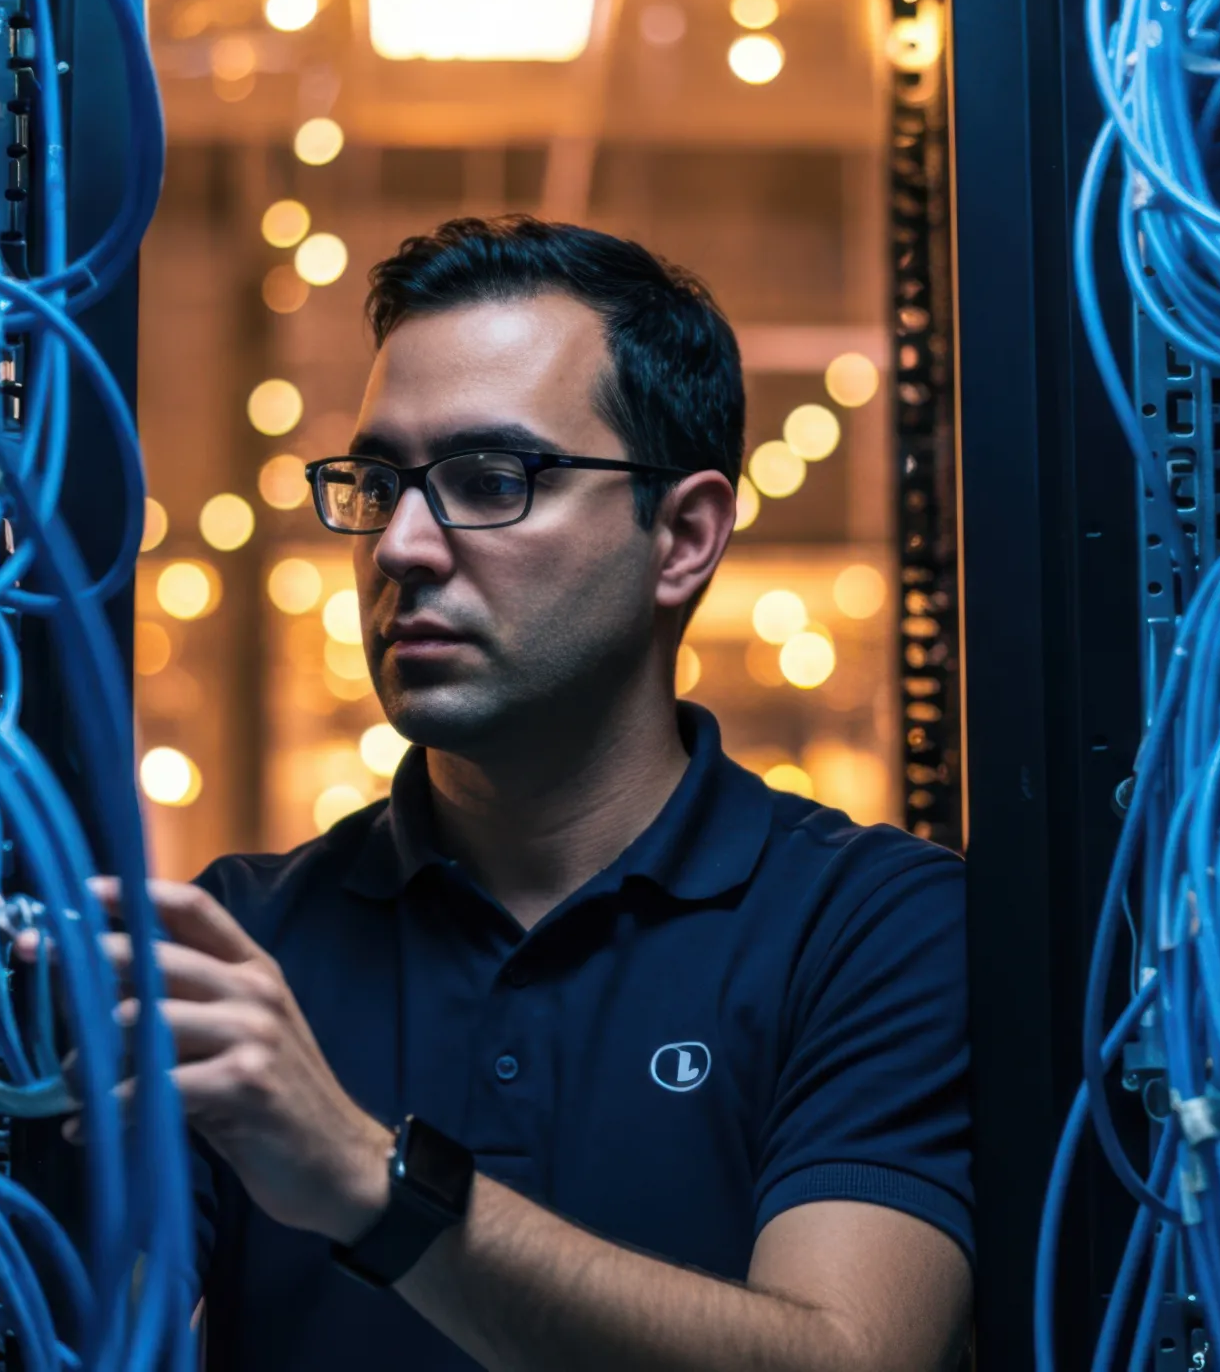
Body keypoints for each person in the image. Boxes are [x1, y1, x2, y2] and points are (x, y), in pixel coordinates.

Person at [95, 216, 972, 1369]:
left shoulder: (873, 930)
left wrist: (370, 1180)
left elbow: (851, 1357)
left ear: (683, 538)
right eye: (377, 481)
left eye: (487, 479)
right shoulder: (248, 945)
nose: (402, 544)